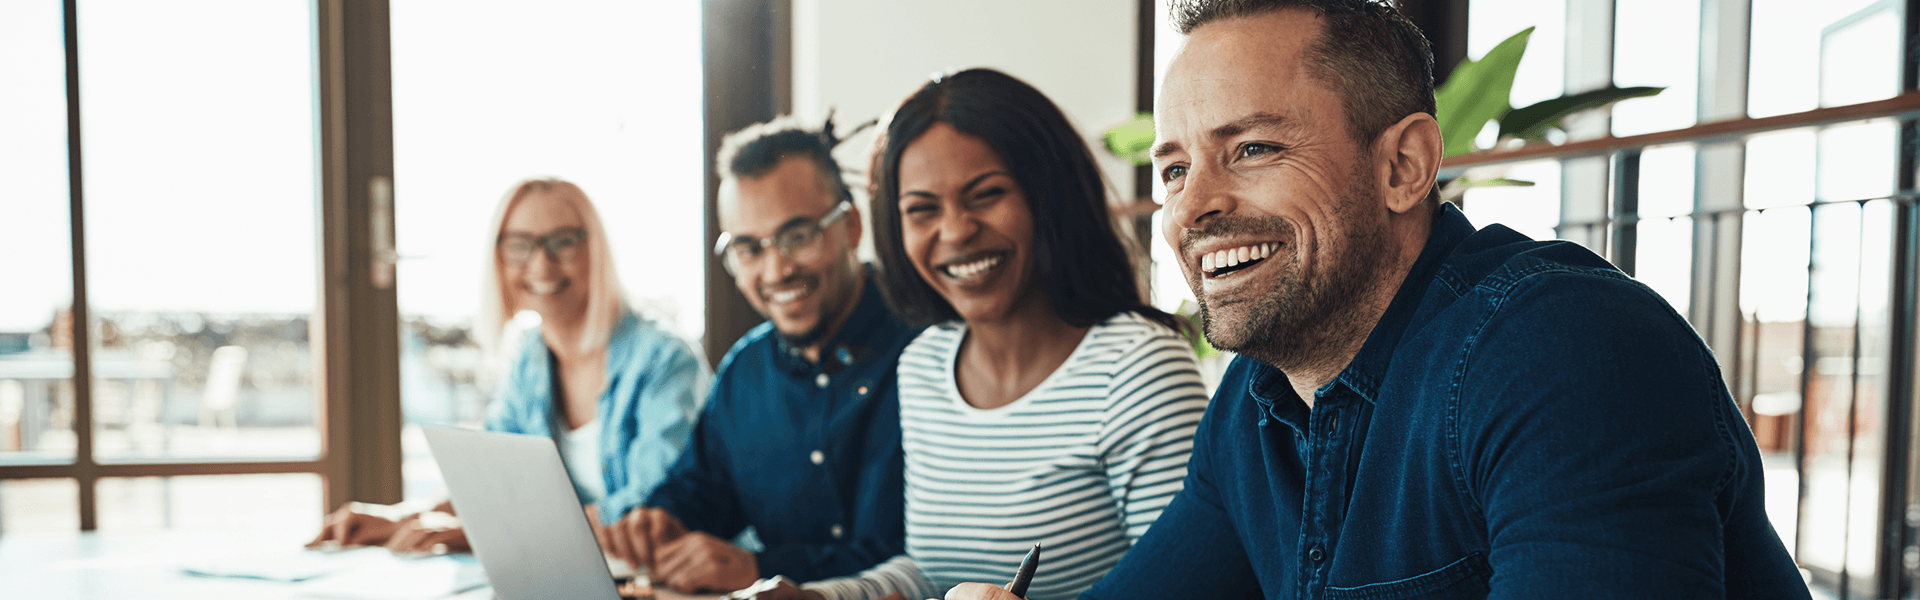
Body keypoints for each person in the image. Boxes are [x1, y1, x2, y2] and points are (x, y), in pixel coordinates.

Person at [951, 1, 1809, 599]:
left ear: (1403, 166)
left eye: (1250, 147)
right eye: (1174, 168)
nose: (1193, 206)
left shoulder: (1562, 351)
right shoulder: (1256, 402)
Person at [752, 69, 1211, 600]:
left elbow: (1188, 587)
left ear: (1049, 197)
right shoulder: (924, 364)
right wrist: (816, 596)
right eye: (922, 210)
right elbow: (930, 574)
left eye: (986, 195)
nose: (955, 231)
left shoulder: (1138, 366)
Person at [595, 115, 922, 594]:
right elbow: (703, 488)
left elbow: (927, 558)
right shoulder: (745, 371)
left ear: (850, 226)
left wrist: (761, 566)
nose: (777, 269)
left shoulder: (930, 353)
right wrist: (663, 520)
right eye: (748, 248)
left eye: (798, 236)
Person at [307, 178, 708, 555]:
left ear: (595, 249)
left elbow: (652, 513)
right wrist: (404, 516)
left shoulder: (665, 359)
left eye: (562, 242)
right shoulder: (530, 357)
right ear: (498, 257)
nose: (541, 265)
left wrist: (483, 534)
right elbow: (495, 484)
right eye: (520, 245)